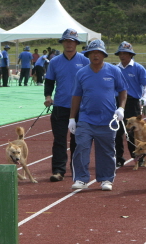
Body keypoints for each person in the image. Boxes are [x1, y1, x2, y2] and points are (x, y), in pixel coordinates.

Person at [69, 39, 127, 191]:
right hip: (86, 119)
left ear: (103, 54)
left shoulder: (114, 71)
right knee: (81, 147)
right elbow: (76, 96)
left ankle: (106, 179)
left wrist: (121, 108)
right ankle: (81, 179)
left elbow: (123, 91)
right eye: (92, 52)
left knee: (107, 151)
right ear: (88, 54)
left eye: (98, 52)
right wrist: (71, 118)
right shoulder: (81, 73)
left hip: (108, 120)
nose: (95, 55)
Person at [44, 28, 90, 182]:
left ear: (76, 43)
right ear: (63, 43)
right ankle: (58, 170)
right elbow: (49, 81)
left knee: (77, 140)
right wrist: (48, 96)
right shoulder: (55, 62)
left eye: (72, 41)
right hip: (60, 106)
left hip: (80, 108)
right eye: (66, 41)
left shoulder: (85, 61)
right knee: (59, 139)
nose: (69, 44)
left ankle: (76, 170)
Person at [113, 41, 146, 167]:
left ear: (131, 54)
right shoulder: (115, 69)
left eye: (125, 53)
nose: (122, 56)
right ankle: (118, 158)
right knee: (118, 131)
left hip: (133, 102)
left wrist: (144, 98)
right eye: (120, 53)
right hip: (118, 102)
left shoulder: (138, 68)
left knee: (135, 132)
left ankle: (137, 157)